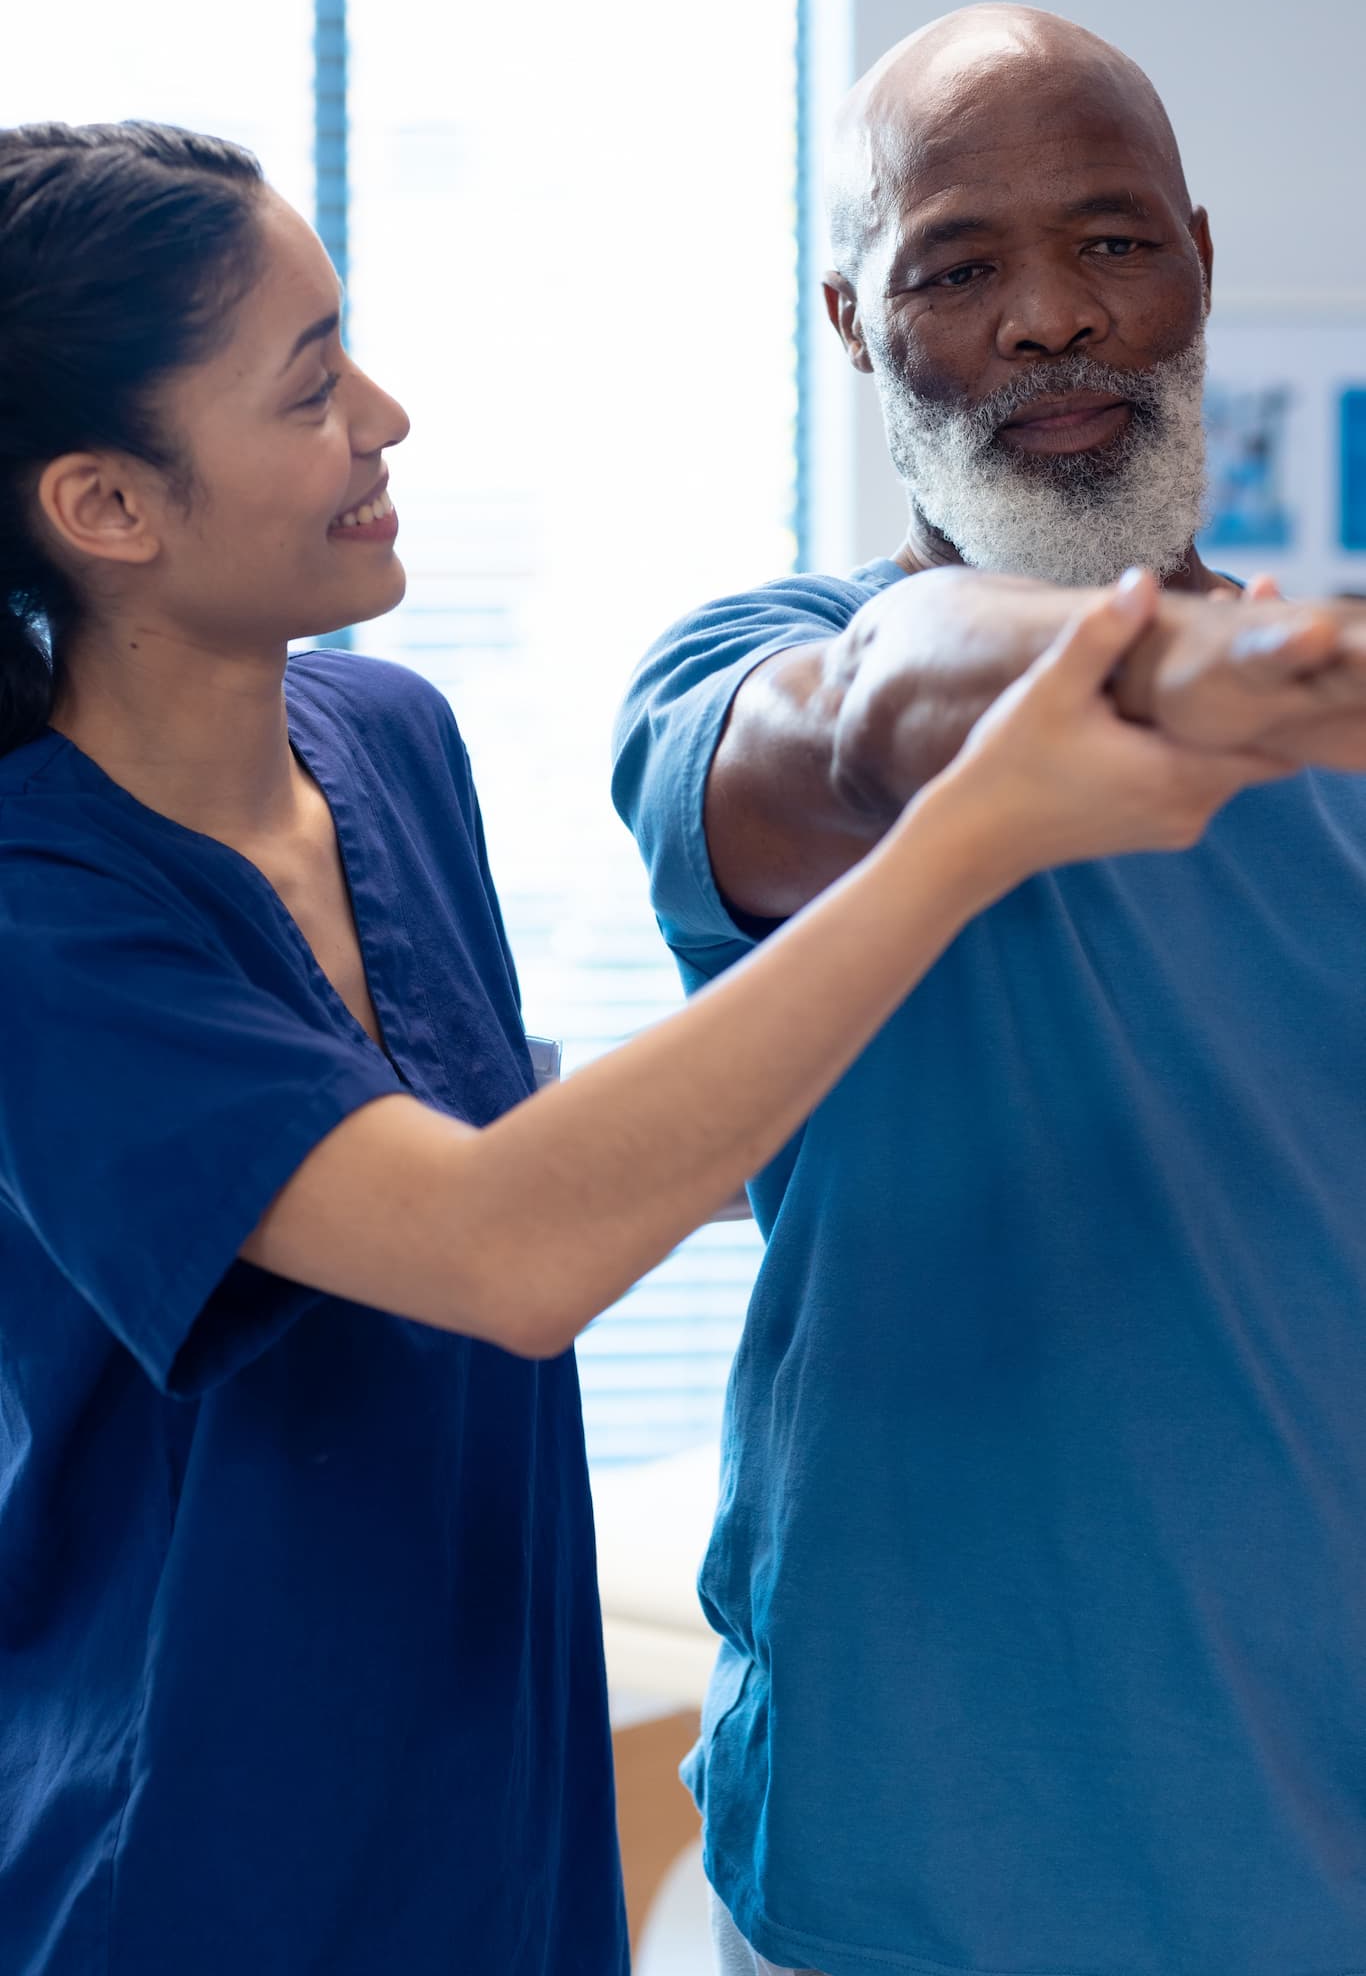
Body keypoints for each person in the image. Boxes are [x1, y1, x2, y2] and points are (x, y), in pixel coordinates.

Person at [0, 122, 1302, 1976]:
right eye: (308, 391)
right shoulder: (39, 908)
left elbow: (524, 1148)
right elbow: (497, 1250)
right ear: (107, 507)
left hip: (501, 1839)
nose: (386, 414)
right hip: (193, 1864)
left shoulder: (383, 741)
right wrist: (974, 832)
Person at [612, 2, 1366, 1976]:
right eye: (955, 264)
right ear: (854, 320)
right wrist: (1170, 670)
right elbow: (880, 705)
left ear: (1194, 260)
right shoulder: (753, 676)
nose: (1049, 315)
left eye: (1109, 240)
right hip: (894, 1894)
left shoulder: (1336, 733)